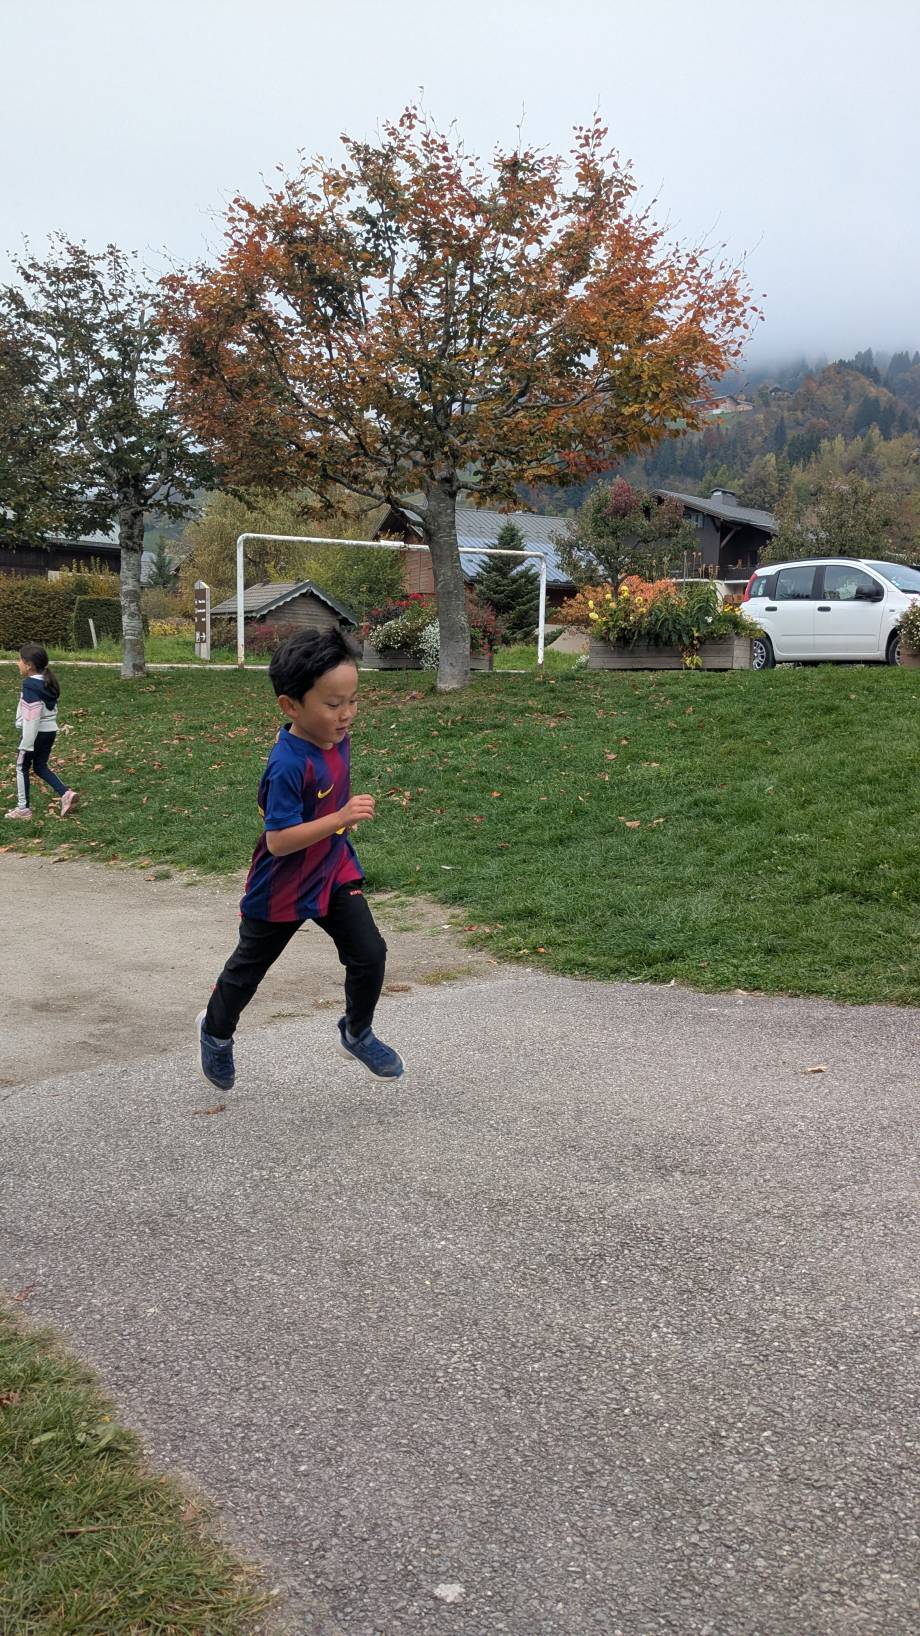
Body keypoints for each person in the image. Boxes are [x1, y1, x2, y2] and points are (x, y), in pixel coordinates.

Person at [196, 626, 404, 1092]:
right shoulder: (288, 764)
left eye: (352, 700)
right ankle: (215, 1032)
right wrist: (340, 818)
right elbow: (279, 841)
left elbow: (330, 797)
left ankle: (357, 1031)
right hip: (283, 881)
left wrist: (339, 823)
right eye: (333, 705)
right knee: (247, 971)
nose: (346, 714)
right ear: (291, 706)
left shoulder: (337, 738)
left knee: (369, 953)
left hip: (331, 870)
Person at [6, 642, 78, 821]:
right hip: (49, 731)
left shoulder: (30, 686)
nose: (18, 663)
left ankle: (23, 809)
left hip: (34, 733)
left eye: (19, 660)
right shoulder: (47, 683)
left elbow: (32, 716)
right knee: (39, 766)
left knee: (21, 767)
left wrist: (27, 743)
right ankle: (65, 794)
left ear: (29, 665)